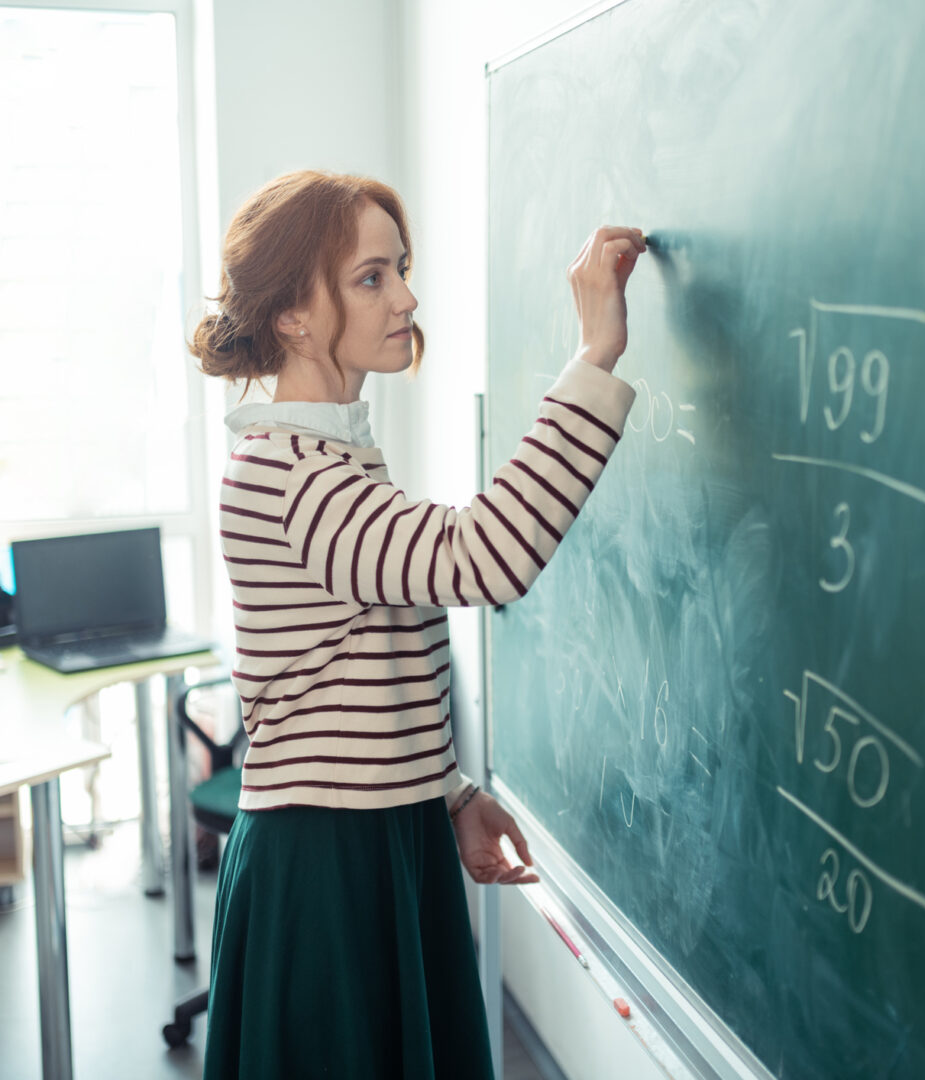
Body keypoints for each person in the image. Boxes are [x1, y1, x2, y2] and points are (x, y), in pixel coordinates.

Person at [189, 169, 645, 1079]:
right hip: (326, 869)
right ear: (292, 315)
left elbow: (365, 663)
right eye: (372, 277)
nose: (406, 297)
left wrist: (445, 793)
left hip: (378, 837)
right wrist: (593, 356)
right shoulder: (287, 473)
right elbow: (482, 557)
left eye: (402, 269)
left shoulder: (329, 456)